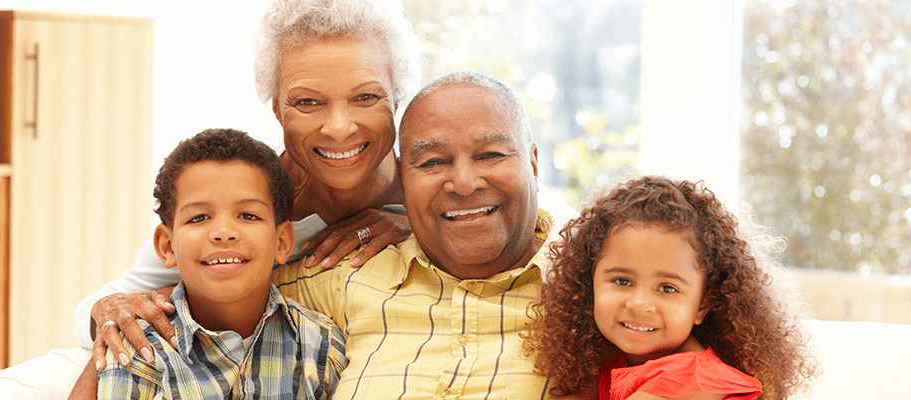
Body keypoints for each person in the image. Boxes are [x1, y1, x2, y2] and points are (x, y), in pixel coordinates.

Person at [77, 0, 421, 373]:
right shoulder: (245, 190)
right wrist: (110, 309)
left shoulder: (430, 185)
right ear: (276, 109)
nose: (339, 128)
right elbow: (100, 306)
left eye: (366, 97)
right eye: (307, 102)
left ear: (398, 97)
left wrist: (415, 225)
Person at [271, 70, 571, 399]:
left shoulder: (590, 287)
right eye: (431, 162)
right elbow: (225, 296)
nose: (464, 183)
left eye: (490, 155)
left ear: (533, 164)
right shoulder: (349, 272)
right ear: (404, 179)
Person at [90, 128, 346, 399]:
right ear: (167, 247)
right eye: (199, 218)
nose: (223, 231)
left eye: (248, 215)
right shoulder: (136, 348)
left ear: (282, 243)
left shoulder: (319, 346)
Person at [522, 176, 818, 400]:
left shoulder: (692, 381)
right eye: (622, 281)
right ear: (590, 284)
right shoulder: (609, 362)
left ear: (702, 305)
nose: (639, 303)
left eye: (667, 288)